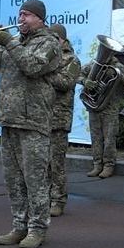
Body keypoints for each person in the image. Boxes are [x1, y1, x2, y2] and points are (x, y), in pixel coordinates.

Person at [0, 0, 61, 248]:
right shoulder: (16, 42)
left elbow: (31, 67)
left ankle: (37, 228)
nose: (21, 18)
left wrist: (8, 41)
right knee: (13, 178)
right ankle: (19, 225)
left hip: (33, 120)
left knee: (34, 178)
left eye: (26, 15)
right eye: (19, 14)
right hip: (10, 118)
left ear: (39, 18)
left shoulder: (48, 43)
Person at [45, 24, 81, 217]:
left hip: (59, 118)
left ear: (62, 40)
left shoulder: (72, 59)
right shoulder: (46, 56)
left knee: (56, 162)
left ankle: (58, 199)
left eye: (54, 38)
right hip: (41, 116)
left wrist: (46, 70)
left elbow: (65, 83)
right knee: (41, 163)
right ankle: (44, 197)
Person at [79, 51, 124, 179]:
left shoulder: (118, 66)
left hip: (110, 108)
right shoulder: (94, 64)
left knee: (109, 138)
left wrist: (118, 74)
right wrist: (85, 81)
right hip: (95, 106)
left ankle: (109, 165)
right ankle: (97, 164)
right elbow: (76, 75)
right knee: (96, 137)